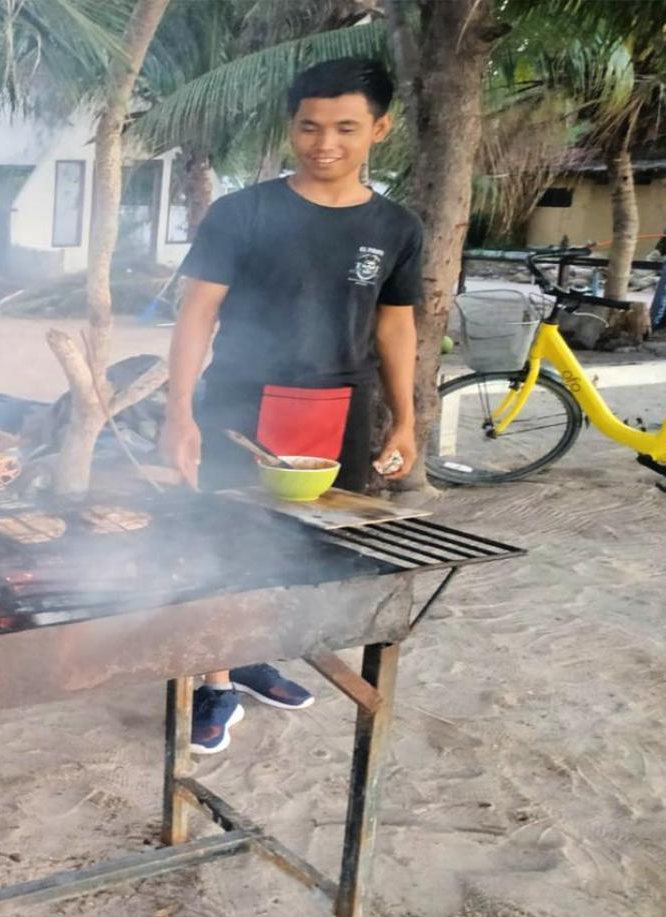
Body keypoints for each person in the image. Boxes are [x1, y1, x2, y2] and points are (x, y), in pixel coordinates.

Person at [158, 57, 423, 755]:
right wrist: (178, 412)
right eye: (308, 126)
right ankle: (212, 681)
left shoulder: (394, 226)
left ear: (380, 129)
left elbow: (394, 323)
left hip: (342, 405)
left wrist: (405, 417)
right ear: (291, 127)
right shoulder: (242, 213)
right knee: (219, 541)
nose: (323, 143)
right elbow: (197, 314)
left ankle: (249, 652)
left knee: (306, 545)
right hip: (241, 402)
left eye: (344, 127)